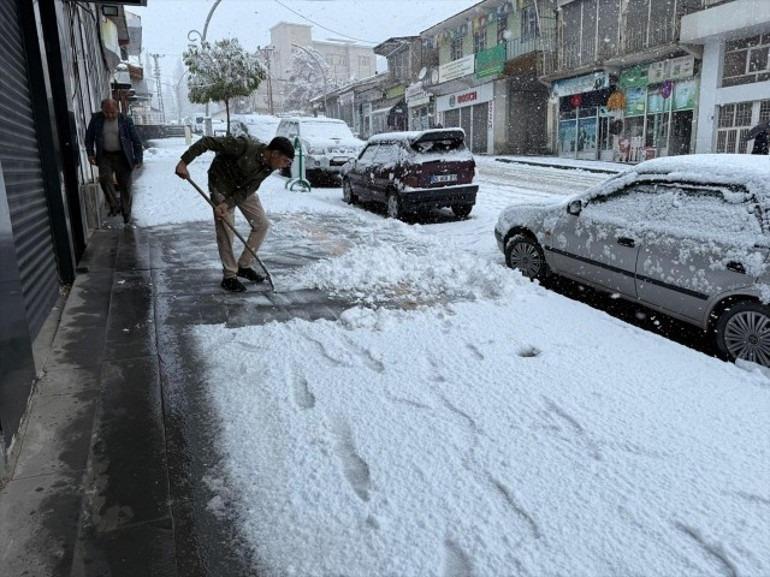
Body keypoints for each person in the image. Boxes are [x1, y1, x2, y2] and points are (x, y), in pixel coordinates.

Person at [174, 135, 294, 292]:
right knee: (226, 229)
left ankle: (244, 266)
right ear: (275, 153)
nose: (283, 166)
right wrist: (184, 162)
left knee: (261, 224)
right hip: (221, 184)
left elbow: (249, 188)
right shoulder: (244, 146)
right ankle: (229, 276)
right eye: (285, 161)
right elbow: (207, 142)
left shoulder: (269, 166)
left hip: (242, 189)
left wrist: (228, 204)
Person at [85, 99, 143, 223]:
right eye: (106, 112)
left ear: (117, 109)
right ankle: (115, 205)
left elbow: (136, 140)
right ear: (102, 110)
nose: (110, 115)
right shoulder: (96, 119)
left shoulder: (126, 120)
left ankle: (126, 213)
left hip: (123, 156)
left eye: (112, 112)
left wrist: (138, 159)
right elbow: (89, 138)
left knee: (125, 186)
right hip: (105, 155)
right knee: (105, 179)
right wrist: (90, 154)